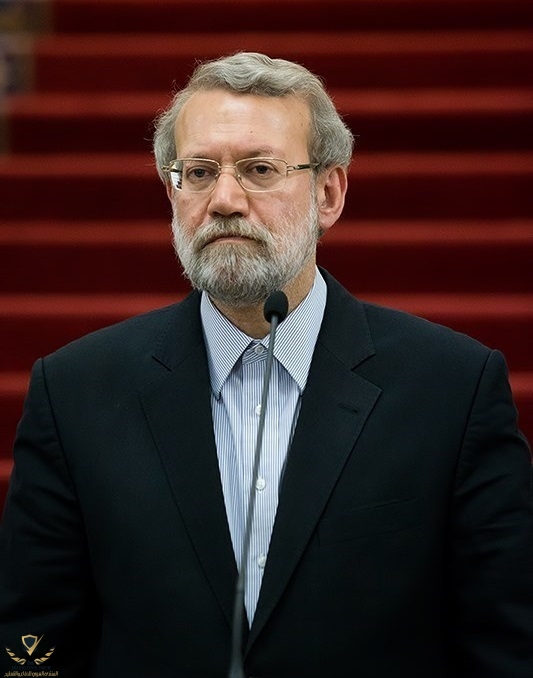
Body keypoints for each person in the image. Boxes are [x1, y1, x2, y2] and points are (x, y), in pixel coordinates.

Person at [1, 52, 532, 678]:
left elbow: (506, 644)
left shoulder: (452, 388)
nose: (224, 200)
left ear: (328, 192)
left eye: (258, 169)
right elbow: (34, 643)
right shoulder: (75, 392)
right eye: (198, 172)